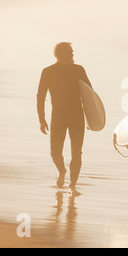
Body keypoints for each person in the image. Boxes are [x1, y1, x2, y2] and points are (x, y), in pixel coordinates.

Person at [37, 42, 92, 196]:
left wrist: (91, 119)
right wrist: (42, 119)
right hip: (58, 117)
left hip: (77, 117)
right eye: (69, 52)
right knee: (55, 152)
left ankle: (72, 185)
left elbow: (90, 95)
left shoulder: (79, 70)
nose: (72, 54)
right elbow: (40, 96)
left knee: (77, 152)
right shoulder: (48, 72)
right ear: (60, 54)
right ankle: (62, 171)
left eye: (72, 51)